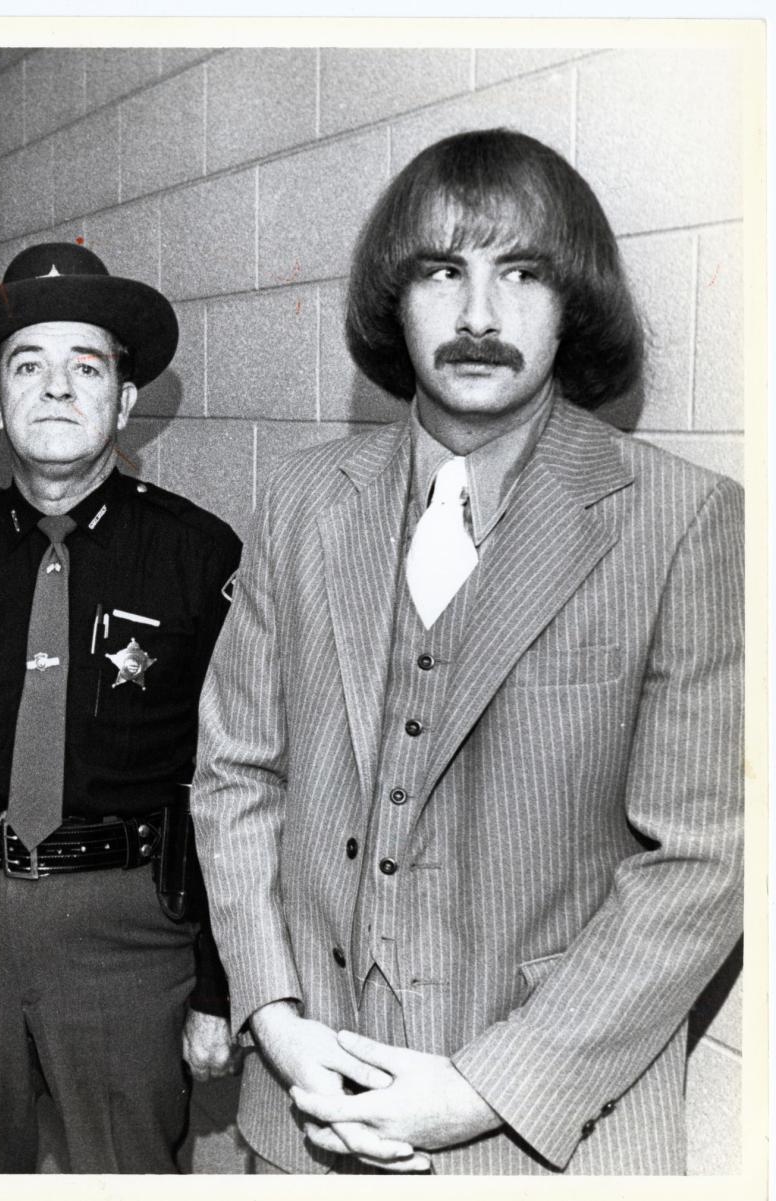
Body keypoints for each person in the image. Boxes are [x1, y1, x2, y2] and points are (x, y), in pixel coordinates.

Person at [191, 130, 744, 1175]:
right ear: (392, 301)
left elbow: (704, 860)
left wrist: (487, 1086)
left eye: (522, 273)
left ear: (574, 301)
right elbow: (234, 775)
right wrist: (273, 1012)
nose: (480, 316)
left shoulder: (684, 520)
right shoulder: (305, 500)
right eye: (444, 271)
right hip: (306, 1116)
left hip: (549, 1140)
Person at [0, 241, 242, 1173]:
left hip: (128, 941)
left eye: (87, 366)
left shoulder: (201, 559)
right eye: (28, 366)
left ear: (126, 396)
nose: (57, 388)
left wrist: (222, 986)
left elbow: (243, 787)